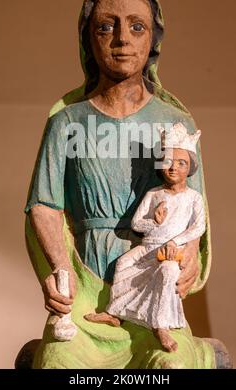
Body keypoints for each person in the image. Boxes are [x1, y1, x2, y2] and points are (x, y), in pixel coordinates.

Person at [24, 0, 214, 368]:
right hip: (86, 293)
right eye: (106, 26)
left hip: (155, 292)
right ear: (88, 38)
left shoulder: (175, 120)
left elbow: (193, 208)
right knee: (58, 362)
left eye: (137, 27)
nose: (122, 39)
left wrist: (185, 256)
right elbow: (44, 204)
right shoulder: (67, 122)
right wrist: (59, 271)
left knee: (172, 365)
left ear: (154, 38)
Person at [84, 123, 205, 353]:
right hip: (148, 246)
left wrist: (175, 241)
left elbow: (198, 226)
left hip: (169, 252)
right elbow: (137, 224)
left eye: (181, 163)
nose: (173, 168)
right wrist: (155, 222)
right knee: (123, 263)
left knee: (168, 271)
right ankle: (115, 312)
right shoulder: (154, 194)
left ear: (190, 168)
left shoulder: (193, 198)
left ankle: (161, 325)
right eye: (168, 162)